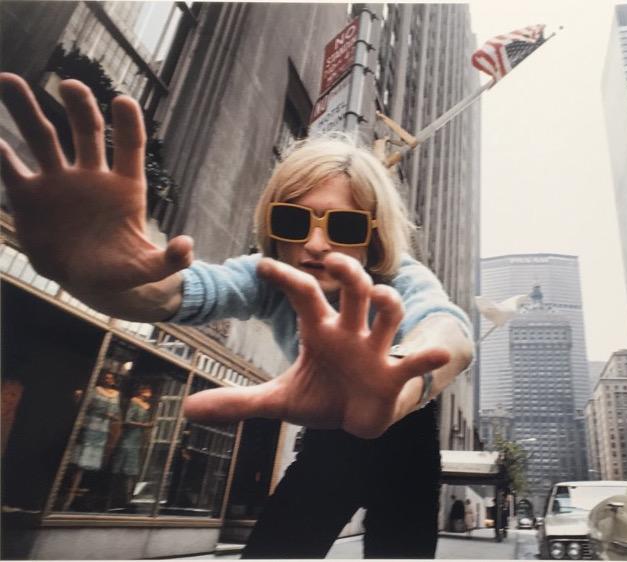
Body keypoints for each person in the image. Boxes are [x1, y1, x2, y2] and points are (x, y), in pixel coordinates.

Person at [0, 73, 474, 558]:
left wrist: (397, 380)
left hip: (407, 432)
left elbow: (448, 331)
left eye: (344, 226)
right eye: (293, 221)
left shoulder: (399, 276)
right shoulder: (269, 275)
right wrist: (94, 277)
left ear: (373, 236)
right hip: (328, 424)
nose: (314, 244)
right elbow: (169, 295)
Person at [64, 371, 121, 511]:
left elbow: (116, 414)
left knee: (88, 464)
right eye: (105, 377)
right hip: (90, 425)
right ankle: (69, 496)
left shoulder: (115, 395)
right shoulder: (95, 390)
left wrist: (112, 417)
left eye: (110, 378)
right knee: (80, 460)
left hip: (102, 430)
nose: (107, 380)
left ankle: (76, 496)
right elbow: (85, 405)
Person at [110, 384, 154, 507]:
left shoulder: (146, 406)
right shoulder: (134, 402)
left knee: (131, 468)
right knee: (121, 464)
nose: (149, 394)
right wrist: (144, 425)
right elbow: (128, 420)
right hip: (129, 436)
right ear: (141, 391)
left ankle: (127, 498)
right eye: (147, 391)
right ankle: (115, 496)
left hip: (137, 438)